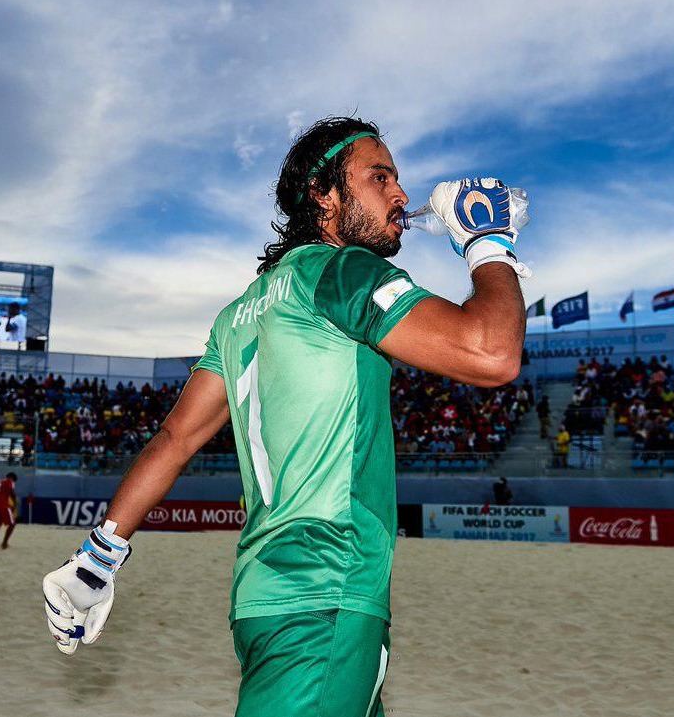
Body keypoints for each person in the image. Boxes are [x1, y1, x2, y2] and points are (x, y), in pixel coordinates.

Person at [40, 117, 527, 715]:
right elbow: (491, 354)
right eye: (380, 178)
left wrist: (97, 558)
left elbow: (174, 438)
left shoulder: (239, 314)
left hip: (262, 600)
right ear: (324, 194)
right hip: (324, 593)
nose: (401, 194)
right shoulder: (341, 271)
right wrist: (489, 244)